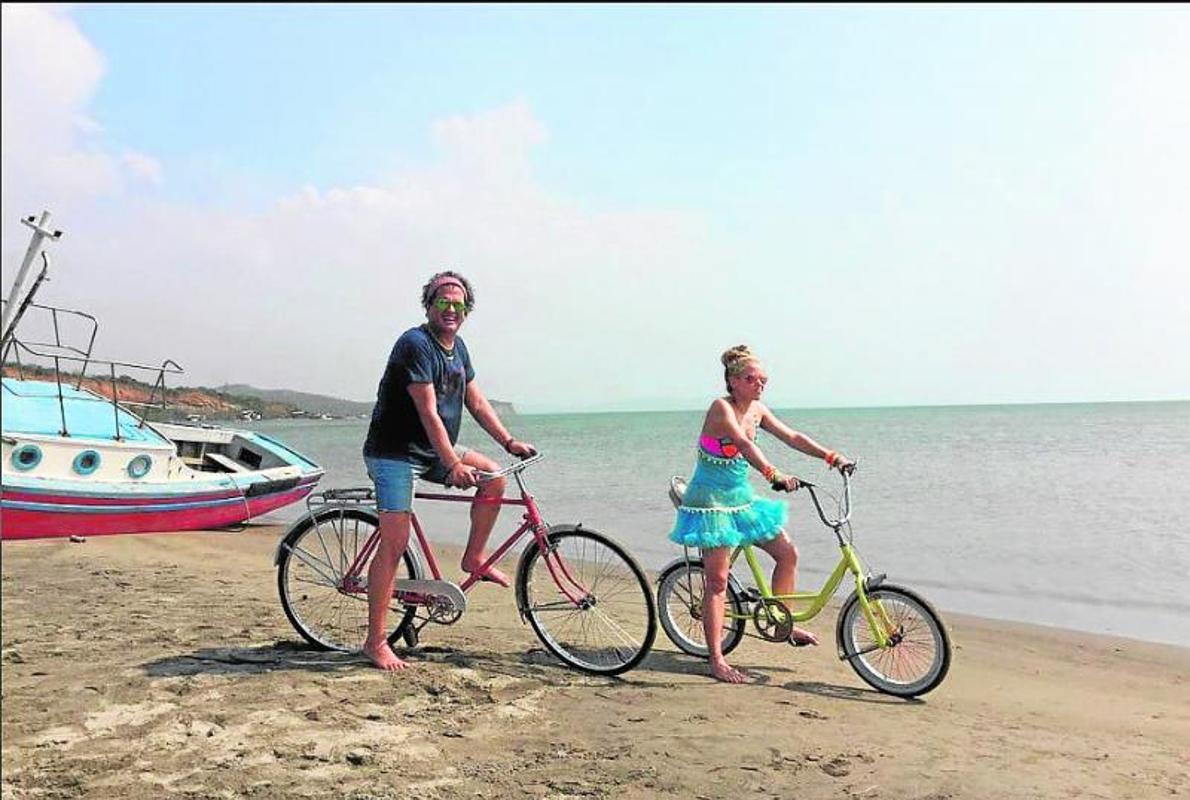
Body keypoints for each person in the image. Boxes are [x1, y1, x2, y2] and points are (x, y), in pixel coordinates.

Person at [361, 271, 536, 671]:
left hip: (429, 449)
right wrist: (453, 464)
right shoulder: (415, 344)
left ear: (467, 310)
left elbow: (475, 401)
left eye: (459, 303)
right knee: (395, 541)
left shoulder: (459, 349)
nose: (451, 308)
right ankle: (375, 641)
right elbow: (427, 412)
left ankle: (474, 557)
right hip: (394, 452)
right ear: (429, 305)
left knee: (494, 477)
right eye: (443, 300)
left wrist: (508, 441)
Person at [670, 344, 853, 684]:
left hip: (741, 498)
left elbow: (792, 437)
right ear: (733, 381)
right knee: (717, 582)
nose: (759, 384)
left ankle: (783, 622)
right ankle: (716, 658)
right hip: (710, 500)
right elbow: (742, 444)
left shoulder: (757, 409)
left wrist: (832, 456)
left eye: (763, 378)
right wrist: (774, 475)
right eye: (752, 378)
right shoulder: (720, 408)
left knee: (788, 553)